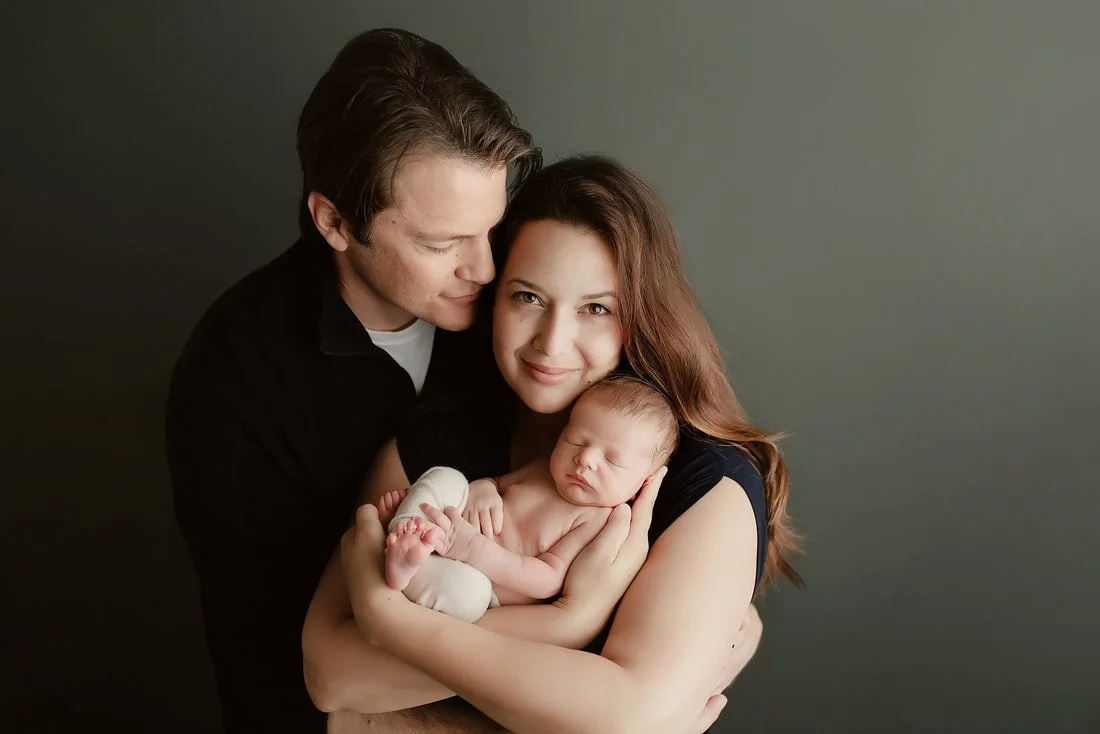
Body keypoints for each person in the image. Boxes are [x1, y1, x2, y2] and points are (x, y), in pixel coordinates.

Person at [302, 154, 802, 733]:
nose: (552, 342)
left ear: (641, 317)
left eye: (596, 309)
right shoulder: (436, 443)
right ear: (495, 297)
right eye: (528, 298)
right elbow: (331, 677)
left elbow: (629, 721)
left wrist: (388, 622)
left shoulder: (704, 482)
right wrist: (567, 621)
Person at [164, 27, 541, 733]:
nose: (487, 269)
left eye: (491, 228)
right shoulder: (235, 384)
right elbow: (263, 666)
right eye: (440, 243)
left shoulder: (529, 289)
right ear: (334, 221)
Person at [377, 375, 680, 622]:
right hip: (447, 527)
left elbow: (547, 579)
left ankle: (406, 566)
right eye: (576, 440)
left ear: (643, 484)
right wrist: (484, 489)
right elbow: (495, 483)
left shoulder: (596, 521)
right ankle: (405, 525)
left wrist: (473, 549)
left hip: (479, 577)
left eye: (612, 460)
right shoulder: (541, 471)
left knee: (469, 597)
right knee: (448, 476)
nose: (585, 458)